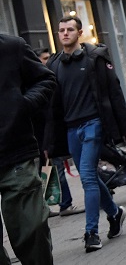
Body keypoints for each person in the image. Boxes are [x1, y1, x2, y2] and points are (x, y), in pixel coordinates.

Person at [45, 16, 126, 253]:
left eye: (69, 29)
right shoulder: (54, 65)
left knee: (86, 178)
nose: (64, 33)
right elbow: (52, 109)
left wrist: (125, 126)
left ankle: (91, 233)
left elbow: (114, 92)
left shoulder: (95, 58)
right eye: (61, 30)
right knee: (89, 175)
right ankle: (114, 213)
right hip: (71, 129)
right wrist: (48, 141)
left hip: (93, 124)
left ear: (79, 32)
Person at [1, 34, 56, 265]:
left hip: (14, 152)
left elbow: (45, 80)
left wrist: (23, 106)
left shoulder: (11, 47)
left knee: (31, 228)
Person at [34, 48, 81, 218]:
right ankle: (63, 204)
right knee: (53, 169)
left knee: (50, 169)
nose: (47, 61)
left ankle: (53, 204)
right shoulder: (40, 81)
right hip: (43, 135)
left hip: (51, 133)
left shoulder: (50, 76)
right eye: (44, 58)